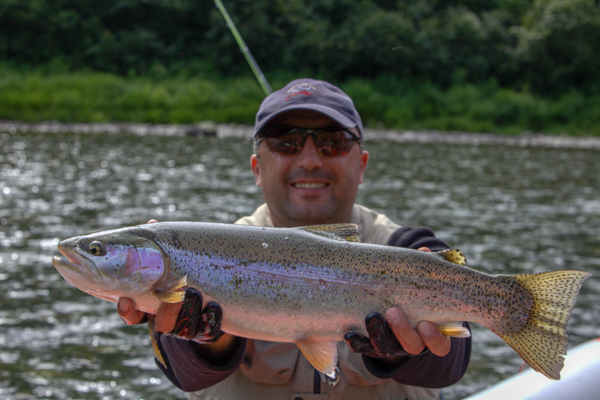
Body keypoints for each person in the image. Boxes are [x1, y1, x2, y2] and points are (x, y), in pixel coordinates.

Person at [118, 78, 471, 399]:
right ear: (257, 168)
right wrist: (207, 338)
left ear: (361, 165)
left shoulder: (404, 248)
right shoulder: (204, 253)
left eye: (332, 142)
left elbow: (453, 365)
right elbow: (185, 377)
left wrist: (404, 353)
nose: (310, 160)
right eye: (286, 142)